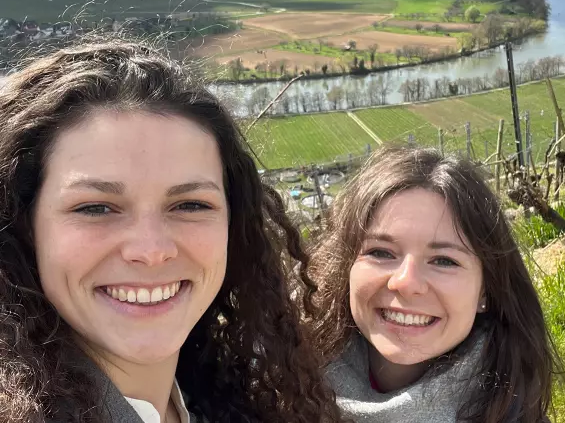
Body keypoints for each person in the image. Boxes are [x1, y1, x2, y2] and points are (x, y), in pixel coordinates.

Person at [0, 39, 342, 423]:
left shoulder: (232, 396)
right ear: (22, 228)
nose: (152, 250)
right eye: (95, 207)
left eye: (190, 205)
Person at [308, 145, 565, 423]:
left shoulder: (513, 412)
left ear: (486, 290)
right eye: (381, 252)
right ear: (345, 268)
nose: (406, 282)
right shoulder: (281, 384)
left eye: (444, 260)